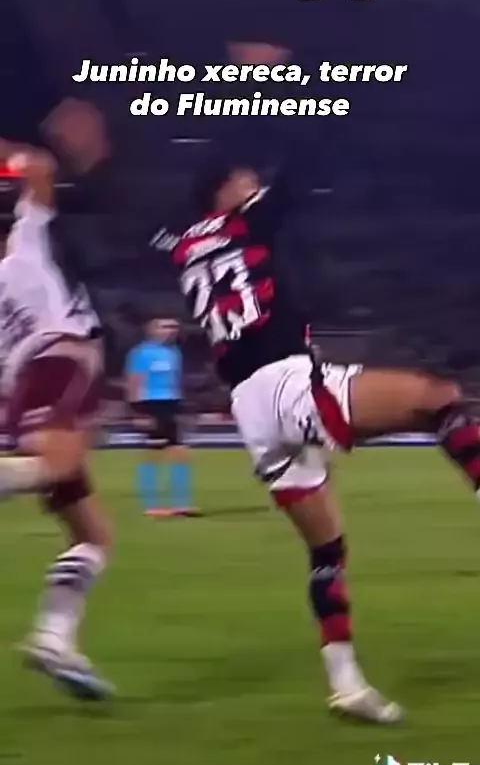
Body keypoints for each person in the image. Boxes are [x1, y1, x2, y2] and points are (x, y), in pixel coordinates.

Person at [161, 134, 480, 723]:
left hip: (249, 406)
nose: (254, 185)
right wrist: (318, 106)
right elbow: (301, 173)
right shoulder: (242, 223)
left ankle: (347, 685)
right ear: (225, 189)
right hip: (284, 380)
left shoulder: (184, 247)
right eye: (246, 178)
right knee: (439, 397)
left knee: (326, 550)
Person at [0, 138, 114, 701]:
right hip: (60, 360)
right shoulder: (23, 249)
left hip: (22, 391)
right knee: (58, 465)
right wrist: (11, 151)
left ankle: (55, 638)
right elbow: (40, 168)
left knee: (92, 536)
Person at [125, 318, 197, 516]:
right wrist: (138, 412)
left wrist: (183, 408)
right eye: (165, 327)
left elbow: (176, 381)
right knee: (153, 455)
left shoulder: (175, 352)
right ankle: (151, 505)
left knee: (180, 454)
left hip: (171, 404)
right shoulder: (141, 353)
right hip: (150, 404)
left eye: (174, 327)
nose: (171, 330)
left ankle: (181, 504)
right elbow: (133, 382)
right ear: (152, 330)